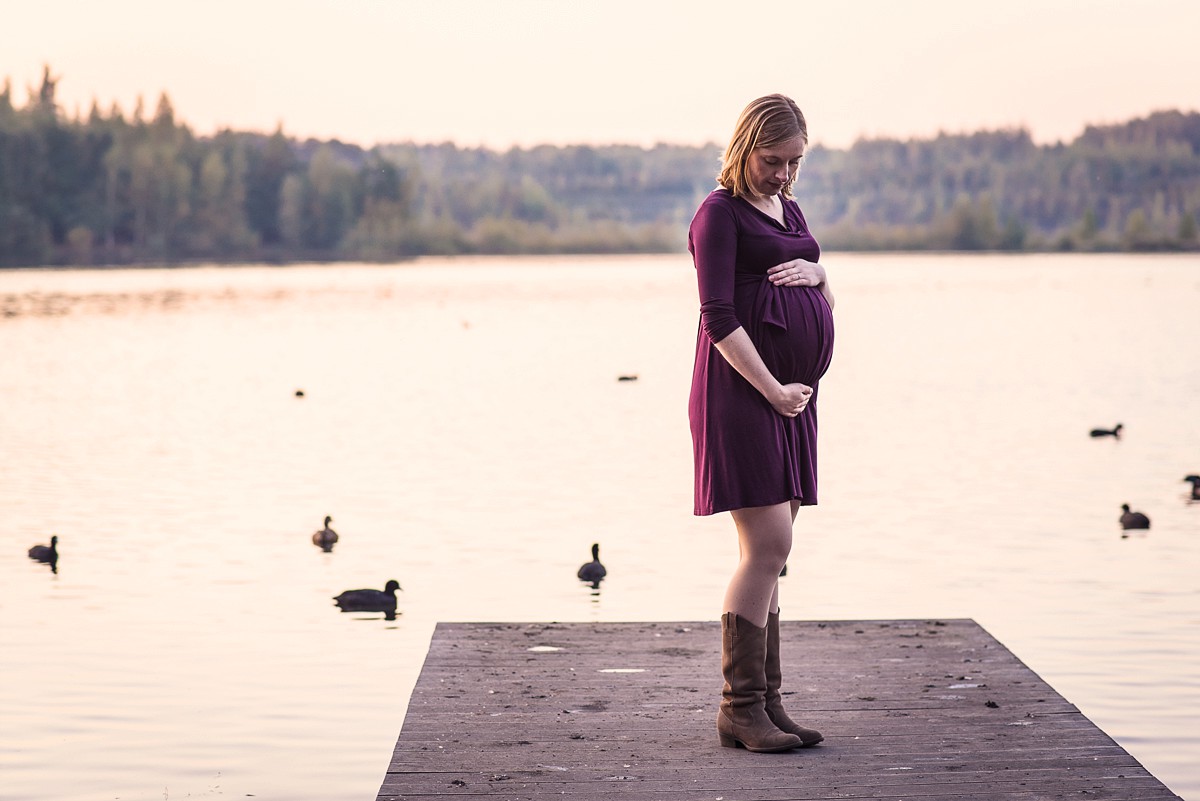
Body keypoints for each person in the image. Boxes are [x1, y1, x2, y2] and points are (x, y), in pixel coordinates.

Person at [688, 94, 834, 753]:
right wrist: (773, 389)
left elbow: (818, 289)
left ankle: (767, 704)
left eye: (794, 162)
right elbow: (718, 317)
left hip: (790, 400)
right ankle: (739, 707)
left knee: (775, 556)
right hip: (744, 393)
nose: (782, 175)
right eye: (772, 161)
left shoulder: (789, 208)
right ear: (743, 148)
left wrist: (819, 271)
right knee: (767, 548)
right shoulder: (718, 215)